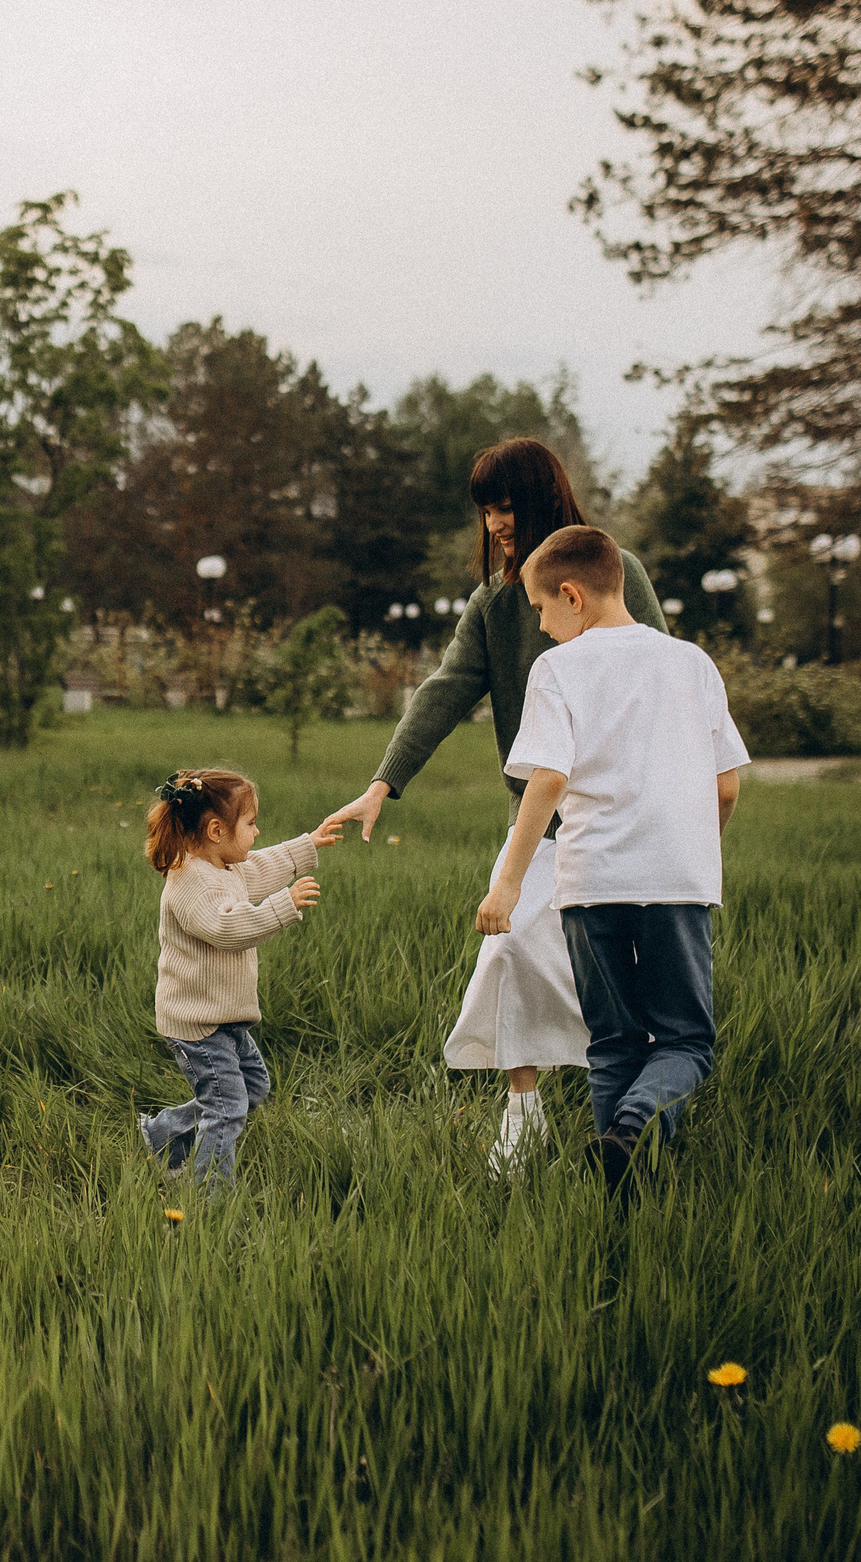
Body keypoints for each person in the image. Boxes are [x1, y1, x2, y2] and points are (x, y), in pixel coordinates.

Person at [318, 438, 670, 1175]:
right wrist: (384, 782)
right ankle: (524, 1111)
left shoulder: (619, 573)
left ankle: (638, 1123)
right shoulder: (493, 603)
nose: (495, 522)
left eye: (504, 505)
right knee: (510, 949)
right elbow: (445, 690)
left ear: (542, 497)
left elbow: (661, 677)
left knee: (626, 974)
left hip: (622, 817)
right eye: (485, 509)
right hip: (536, 822)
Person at [478, 525, 748, 1199]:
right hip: (676, 880)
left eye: (542, 609)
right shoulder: (693, 663)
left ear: (573, 595)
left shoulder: (560, 669)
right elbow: (726, 786)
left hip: (591, 883)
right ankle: (634, 1128)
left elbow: (546, 780)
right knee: (685, 1041)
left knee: (613, 1044)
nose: (540, 626)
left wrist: (508, 884)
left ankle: (618, 1190)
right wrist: (694, 847)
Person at [137, 768, 335, 1192]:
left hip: (224, 1017)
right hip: (197, 1025)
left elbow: (260, 867)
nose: (257, 830)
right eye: (249, 823)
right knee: (227, 1108)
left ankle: (162, 1133)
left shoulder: (225, 864)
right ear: (214, 829)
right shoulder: (191, 883)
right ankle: (212, 1197)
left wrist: (306, 845)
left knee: (252, 1088)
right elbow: (228, 929)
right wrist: (282, 906)